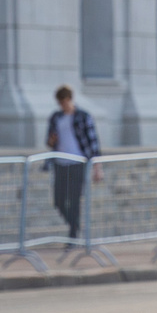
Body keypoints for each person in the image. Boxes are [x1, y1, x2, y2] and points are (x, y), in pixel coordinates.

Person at [43, 85, 102, 241]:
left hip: (77, 162)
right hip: (60, 163)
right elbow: (49, 141)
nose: (62, 106)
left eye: (64, 102)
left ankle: (73, 234)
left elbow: (93, 142)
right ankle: (74, 225)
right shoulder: (56, 118)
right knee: (59, 200)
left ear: (69, 99)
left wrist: (97, 167)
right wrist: (52, 139)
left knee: (74, 199)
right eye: (60, 103)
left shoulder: (82, 116)